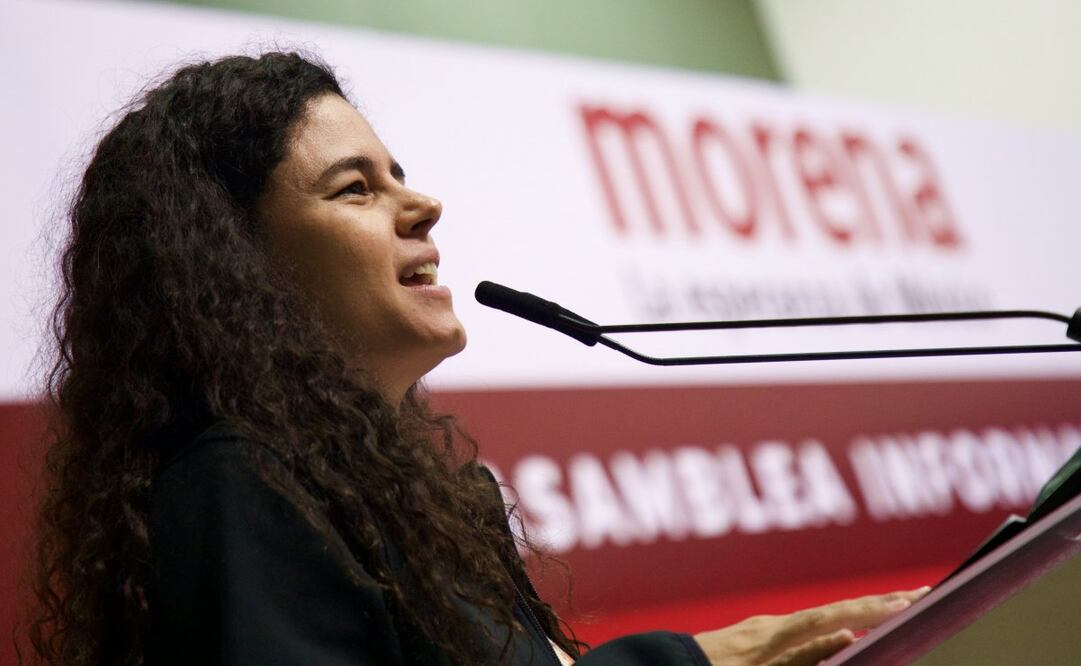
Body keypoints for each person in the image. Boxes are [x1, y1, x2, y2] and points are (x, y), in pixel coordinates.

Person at [27, 51, 927, 666]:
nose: (421, 205)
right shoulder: (241, 489)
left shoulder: (416, 497)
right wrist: (710, 656)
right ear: (238, 262)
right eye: (356, 188)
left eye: (398, 174)